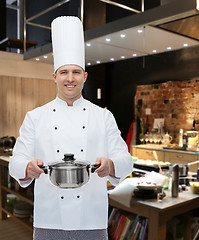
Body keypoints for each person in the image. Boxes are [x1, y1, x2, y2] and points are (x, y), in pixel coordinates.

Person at [9, 16, 133, 240]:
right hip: (49, 218)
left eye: (76, 72)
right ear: (54, 76)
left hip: (92, 219)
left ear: (84, 77)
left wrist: (111, 165)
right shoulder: (35, 117)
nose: (70, 79)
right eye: (64, 72)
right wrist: (27, 167)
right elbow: (14, 163)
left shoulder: (103, 116)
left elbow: (127, 161)